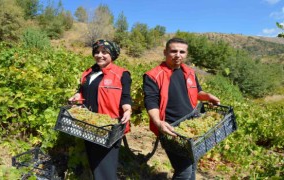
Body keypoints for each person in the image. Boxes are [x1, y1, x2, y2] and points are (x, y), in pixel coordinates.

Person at [143, 38, 220, 180]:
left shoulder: (189, 72)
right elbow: (151, 101)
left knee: (192, 164)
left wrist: (208, 96)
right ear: (165, 52)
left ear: (186, 54)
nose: (178, 55)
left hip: (191, 128)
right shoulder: (153, 75)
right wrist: (157, 121)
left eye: (182, 52)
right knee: (184, 171)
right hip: (171, 129)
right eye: (173, 51)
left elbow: (197, 93)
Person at [68, 39, 132, 180]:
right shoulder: (88, 73)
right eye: (96, 52)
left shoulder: (121, 74)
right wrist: (77, 96)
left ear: (112, 55)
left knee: (105, 169)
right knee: (95, 164)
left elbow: (126, 97)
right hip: (89, 124)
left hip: (108, 128)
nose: (100, 55)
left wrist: (127, 110)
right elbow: (82, 92)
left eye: (104, 52)